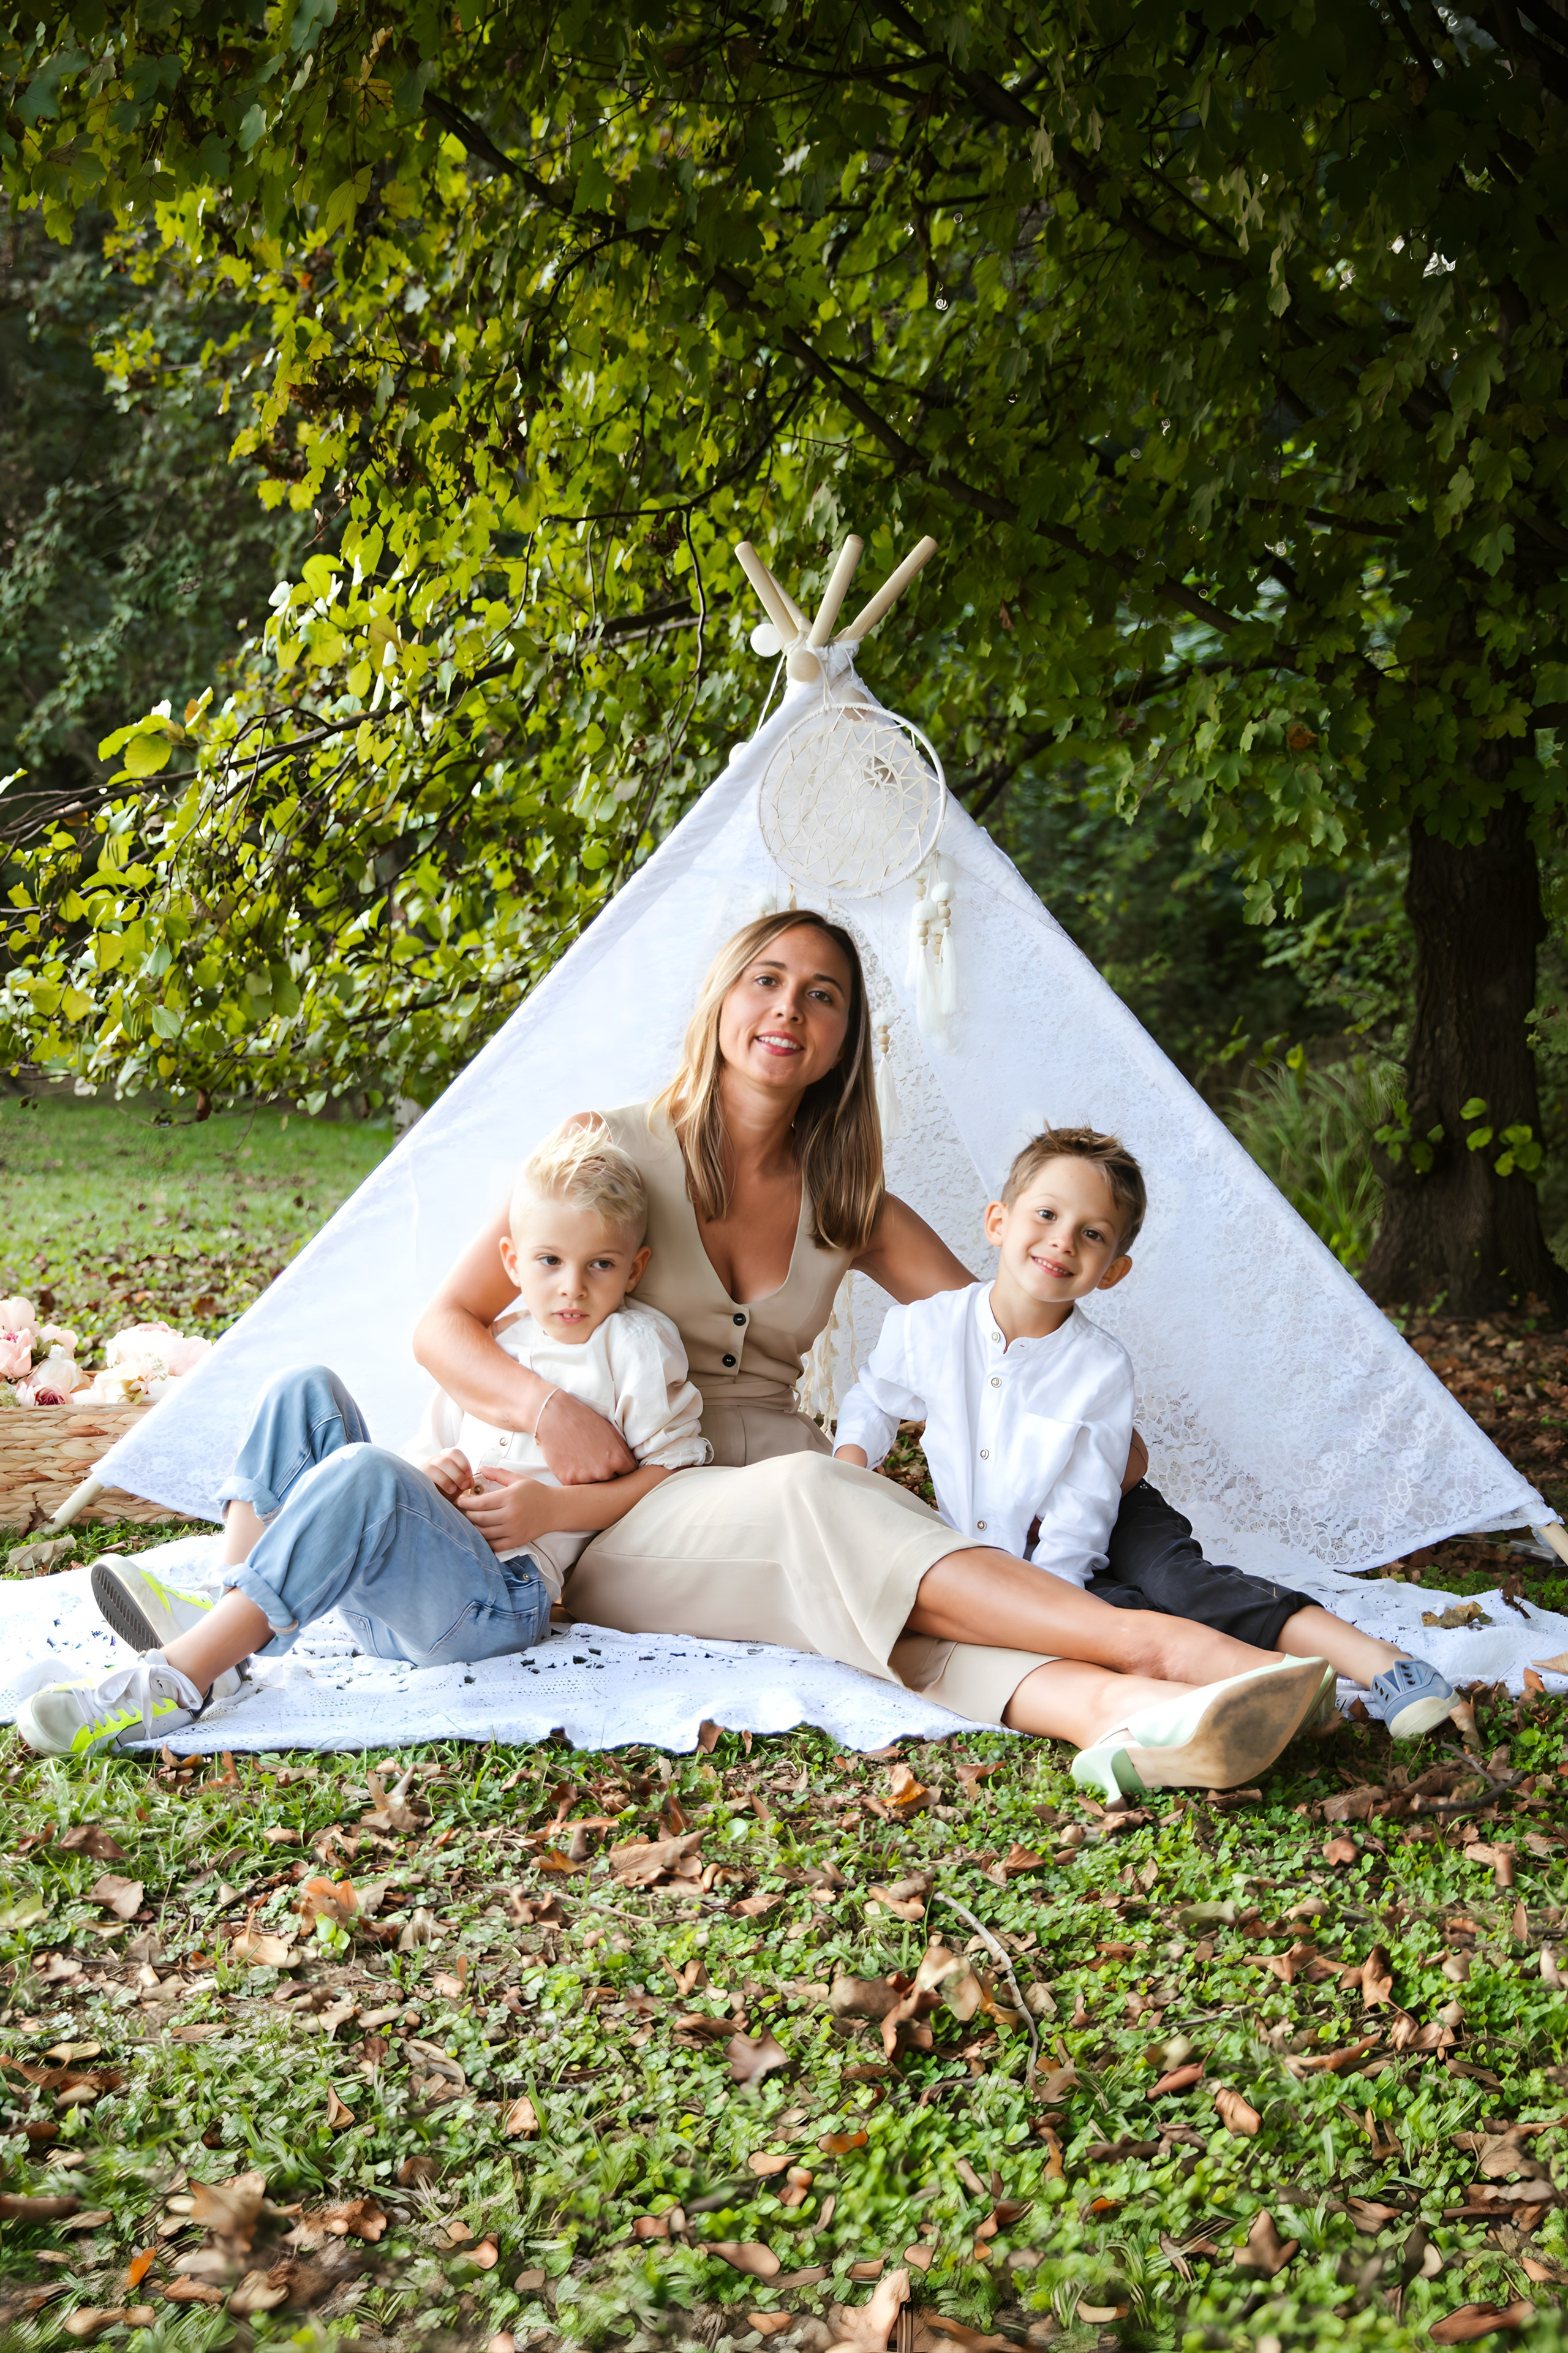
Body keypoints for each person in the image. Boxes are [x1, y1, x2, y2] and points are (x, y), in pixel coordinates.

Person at [23, 911, 1325, 1789]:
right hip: (631, 1500)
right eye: (766, 979)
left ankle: (1110, 1721)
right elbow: (443, 1324)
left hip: (765, 1495)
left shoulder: (847, 1193)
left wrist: (1086, 1412)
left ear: (840, 1038)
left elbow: (993, 1326)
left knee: (857, 1584)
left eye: (821, 996)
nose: (788, 1009)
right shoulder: (614, 1153)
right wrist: (544, 1420)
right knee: (832, 1511)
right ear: (721, 999)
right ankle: (1149, 1652)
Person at [16, 1125, 708, 1756]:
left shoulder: (637, 1347)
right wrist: (430, 1474)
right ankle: (227, 1622)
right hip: (393, 1607)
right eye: (550, 1260)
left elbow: (672, 1476)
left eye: (601, 1265)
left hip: (498, 1602)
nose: (571, 1287)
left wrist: (551, 1512)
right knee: (304, 1389)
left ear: (636, 1267)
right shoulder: (497, 1341)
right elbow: (415, 1459)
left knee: (365, 1474)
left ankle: (182, 1678)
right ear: (512, 1259)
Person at [833, 1122, 1457, 1762]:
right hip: (1003, 1546)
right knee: (1122, 1616)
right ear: (998, 1221)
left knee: (1180, 1585)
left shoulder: (1098, 1368)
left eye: (1091, 1234)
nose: (1061, 1241)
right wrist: (850, 1464)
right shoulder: (927, 1326)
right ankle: (1251, 1691)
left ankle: (1385, 1665)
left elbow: (1083, 1511)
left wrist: (1042, 1607)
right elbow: (875, 1398)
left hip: (1114, 1510)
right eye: (1045, 1214)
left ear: (1113, 1270)